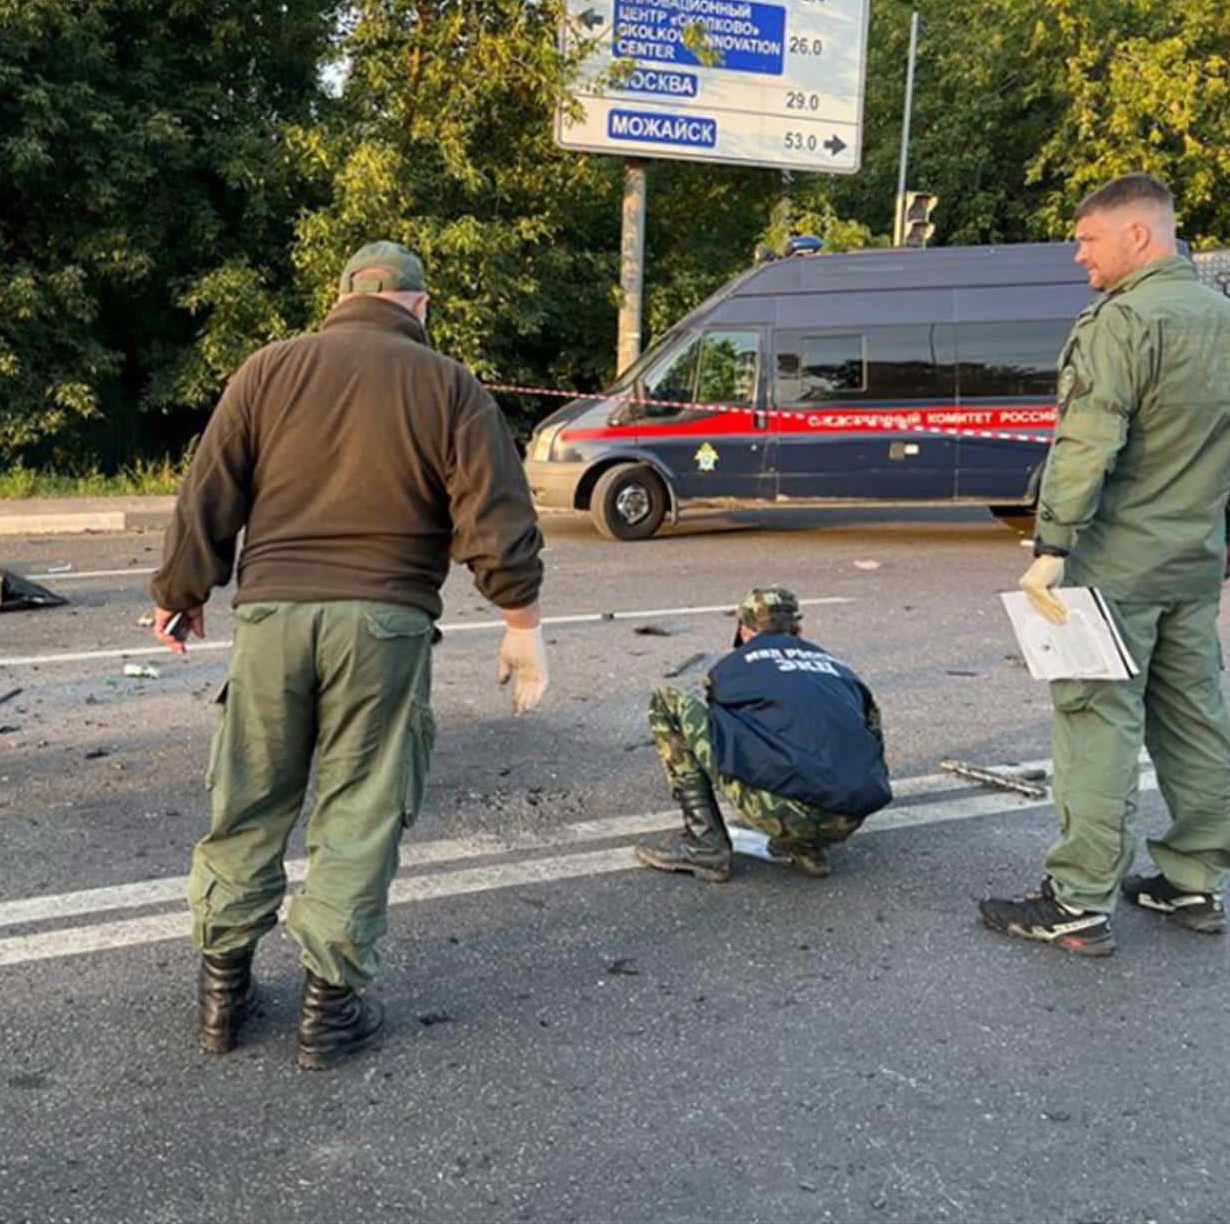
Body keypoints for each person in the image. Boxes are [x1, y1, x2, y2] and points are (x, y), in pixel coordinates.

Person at [150, 240, 548, 1069]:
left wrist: (181, 591)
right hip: (385, 620)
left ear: (339, 299)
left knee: (250, 795)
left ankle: (221, 996)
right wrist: (521, 619)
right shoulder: (449, 385)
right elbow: (496, 516)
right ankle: (326, 1013)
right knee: (360, 809)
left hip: (270, 619)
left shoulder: (267, 369)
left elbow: (209, 489)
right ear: (420, 305)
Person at [981, 172, 1230, 957]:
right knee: (1194, 717)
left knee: (1095, 722)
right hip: (1193, 563)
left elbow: (1087, 440)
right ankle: (1193, 880)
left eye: (1088, 238)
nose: (1080, 255)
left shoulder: (1123, 322)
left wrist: (1052, 545)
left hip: (1113, 567)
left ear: (1138, 235)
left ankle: (1076, 899)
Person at [635, 587, 890, 882]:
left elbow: (724, 722)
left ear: (744, 631)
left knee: (669, 700)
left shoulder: (735, 665)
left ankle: (705, 846)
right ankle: (806, 848)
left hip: (783, 811)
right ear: (798, 629)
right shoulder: (839, 668)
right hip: (848, 816)